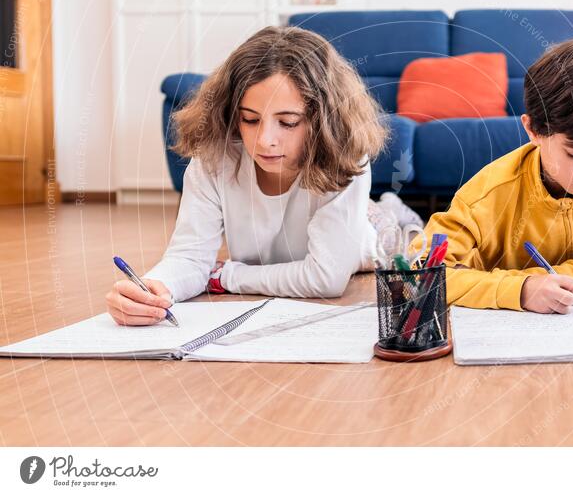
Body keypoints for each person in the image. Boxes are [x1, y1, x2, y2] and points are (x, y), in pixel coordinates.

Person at [105, 26, 419, 326]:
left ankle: (391, 207)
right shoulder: (215, 159)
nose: (265, 140)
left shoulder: (345, 156)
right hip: (314, 240)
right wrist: (155, 288)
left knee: (395, 237)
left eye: (288, 121)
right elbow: (189, 257)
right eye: (250, 120)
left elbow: (326, 278)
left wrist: (225, 276)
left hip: (369, 241)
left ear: (322, 120)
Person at [420, 35, 573, 313]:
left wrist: (508, 284)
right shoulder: (487, 194)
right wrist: (522, 290)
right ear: (533, 131)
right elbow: (422, 275)